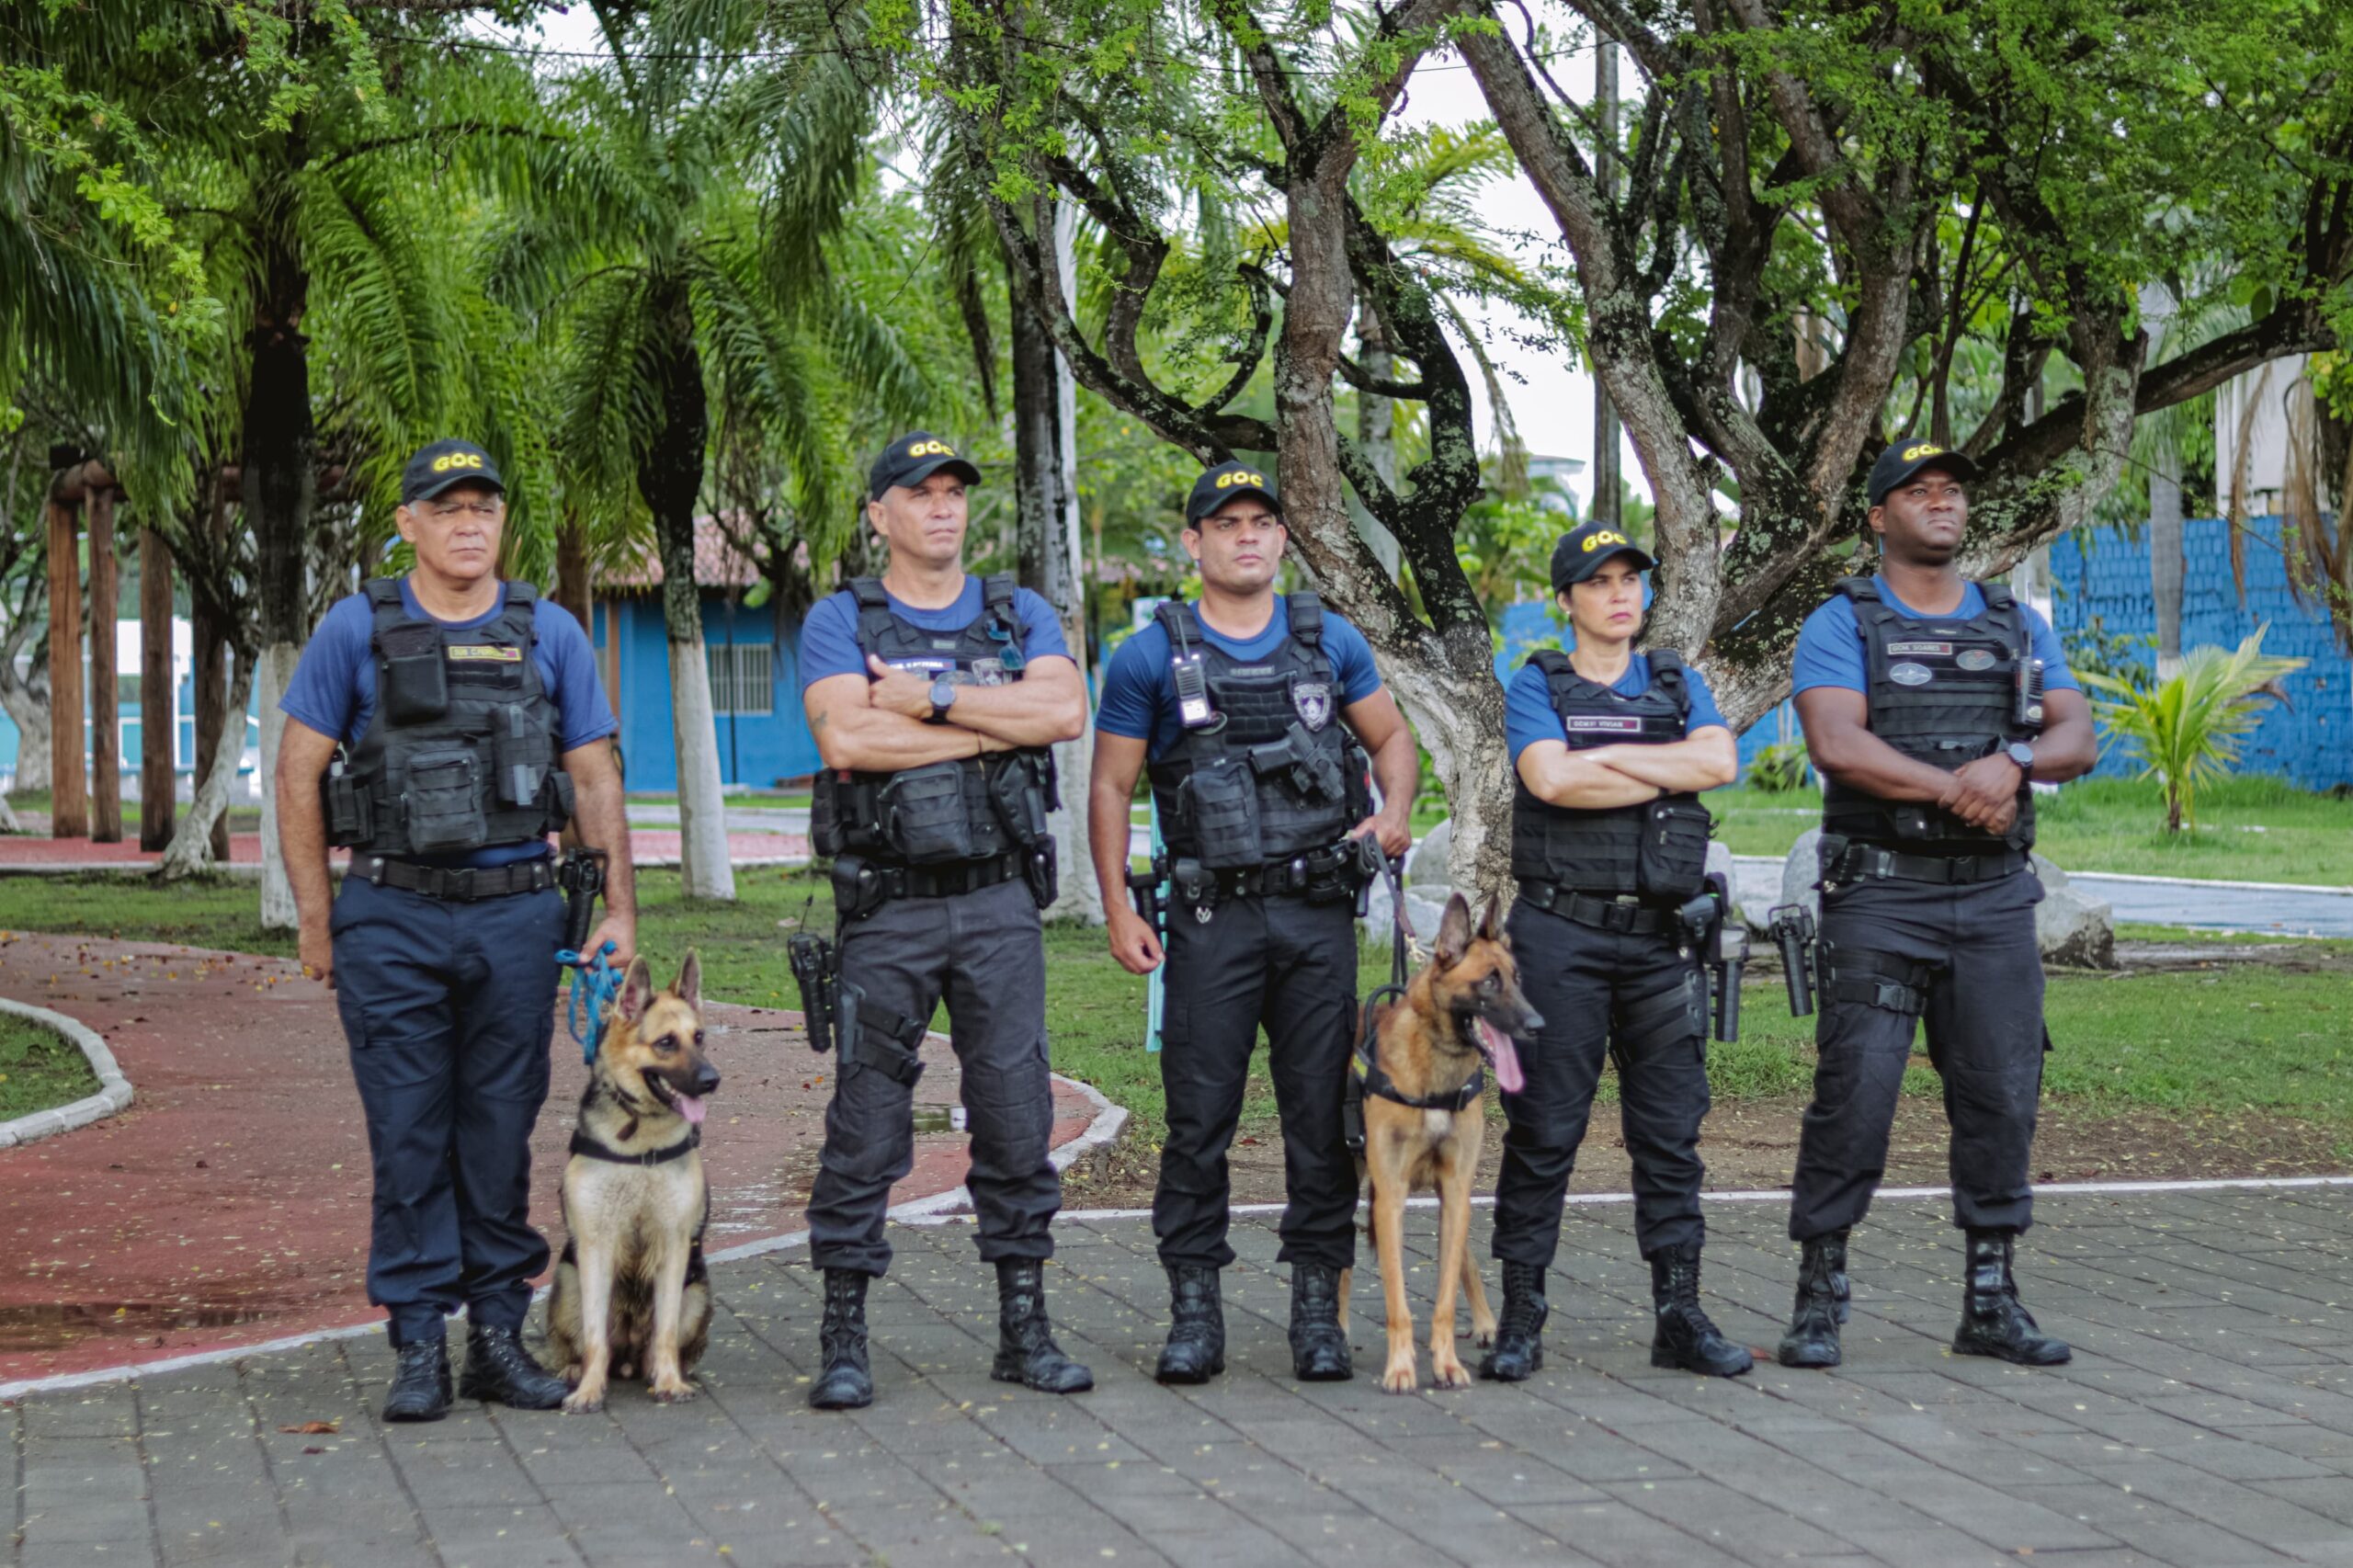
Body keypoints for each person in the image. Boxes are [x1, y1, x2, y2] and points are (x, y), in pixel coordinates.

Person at [277, 439, 635, 1422]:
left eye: (484, 506)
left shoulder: (547, 630)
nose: (468, 522)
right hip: (389, 914)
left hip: (517, 916)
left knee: (495, 1132)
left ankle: (494, 1338)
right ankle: (415, 1345)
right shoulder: (356, 627)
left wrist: (620, 909)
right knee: (406, 1131)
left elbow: (596, 775)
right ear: (408, 524)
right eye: (447, 507)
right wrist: (318, 918)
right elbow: (296, 769)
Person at [1090, 460, 1417, 1384]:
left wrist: (1391, 810)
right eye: (1224, 522)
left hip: (1317, 917)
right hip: (1208, 920)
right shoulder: (1150, 654)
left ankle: (1317, 1307)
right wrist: (1118, 903)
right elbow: (1111, 784)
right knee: (1199, 1120)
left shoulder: (1328, 640)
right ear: (1192, 541)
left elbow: (1393, 739)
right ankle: (1194, 1309)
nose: (1245, 535)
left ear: (1281, 536)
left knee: (1322, 1119)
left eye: (1261, 521)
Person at [1778, 437, 2097, 1369]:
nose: (1942, 503)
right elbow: (1838, 742)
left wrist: (2015, 762)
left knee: (2001, 1095)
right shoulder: (1841, 621)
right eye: (1918, 492)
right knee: (1856, 1095)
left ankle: (1991, 1297)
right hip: (1881, 897)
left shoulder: (2014, 621)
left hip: (1995, 898)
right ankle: (1819, 1294)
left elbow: (2075, 731)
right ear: (1879, 517)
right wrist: (1957, 783)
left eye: (1952, 490)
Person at [797, 431, 1092, 1410]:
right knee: (867, 1118)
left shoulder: (1018, 610)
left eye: (954, 491)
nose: (941, 506)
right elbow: (846, 732)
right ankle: (844, 1333)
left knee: (1015, 1114)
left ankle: (1024, 1327)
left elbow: (1061, 712)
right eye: (918, 493)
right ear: (878, 513)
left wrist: (927, 700)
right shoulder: (841, 618)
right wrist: (989, 722)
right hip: (889, 909)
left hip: (1000, 900)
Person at [1481, 518, 1750, 1381]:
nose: (1620, 594)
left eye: (1631, 578)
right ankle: (1522, 1315)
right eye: (1599, 582)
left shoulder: (1675, 678)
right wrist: (1660, 762)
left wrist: (1611, 758)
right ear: (1567, 600)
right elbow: (1549, 779)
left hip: (1660, 941)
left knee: (1671, 1133)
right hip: (1558, 935)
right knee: (1544, 1130)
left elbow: (1720, 762)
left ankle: (1680, 1314)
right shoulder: (1538, 682)